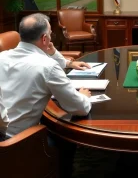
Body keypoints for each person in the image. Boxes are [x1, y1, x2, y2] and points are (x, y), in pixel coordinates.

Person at [0, 13, 92, 177]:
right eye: (50, 35)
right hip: (16, 144)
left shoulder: (2, 56)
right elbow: (79, 108)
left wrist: (59, 57)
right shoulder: (47, 66)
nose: (51, 39)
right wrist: (84, 96)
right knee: (66, 137)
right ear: (44, 39)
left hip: (3, 135)